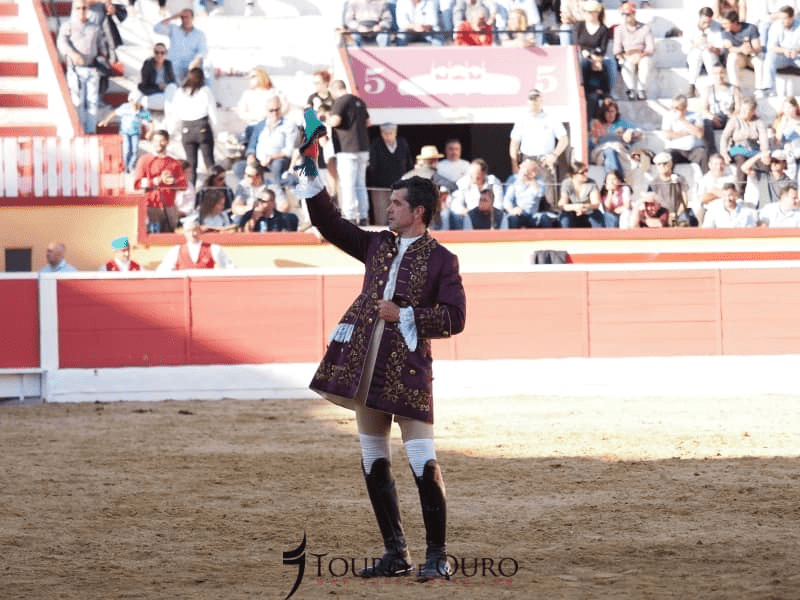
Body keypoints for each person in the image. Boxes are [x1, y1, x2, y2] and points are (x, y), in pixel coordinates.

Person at [295, 144, 466, 580]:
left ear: (420, 212)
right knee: (373, 457)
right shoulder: (376, 246)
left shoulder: (443, 260)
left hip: (407, 370)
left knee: (422, 458)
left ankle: (437, 556)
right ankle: (396, 553)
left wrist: (407, 314)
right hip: (364, 369)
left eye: (396, 203)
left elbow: (455, 317)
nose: (387, 209)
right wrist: (312, 170)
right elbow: (328, 222)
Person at [509, 88, 570, 209]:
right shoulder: (522, 119)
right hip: (527, 161)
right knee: (525, 195)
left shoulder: (551, 118)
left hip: (545, 160)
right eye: (531, 99)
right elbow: (514, 144)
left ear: (541, 100)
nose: (534, 102)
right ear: (528, 101)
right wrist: (515, 165)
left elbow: (564, 140)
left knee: (549, 196)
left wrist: (554, 155)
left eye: (536, 99)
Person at [56, 0, 107, 134]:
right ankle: (79, 130)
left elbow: (101, 46)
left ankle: (90, 130)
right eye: (78, 8)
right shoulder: (68, 26)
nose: (81, 11)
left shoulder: (94, 27)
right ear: (74, 9)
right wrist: (72, 54)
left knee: (92, 102)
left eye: (84, 8)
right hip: (75, 69)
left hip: (91, 68)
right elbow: (61, 43)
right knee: (77, 101)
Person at [328, 80, 371, 225]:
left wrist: (324, 118)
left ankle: (350, 216)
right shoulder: (359, 101)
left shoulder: (341, 101)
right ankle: (363, 216)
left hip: (347, 149)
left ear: (334, 90)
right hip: (363, 148)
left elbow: (335, 121)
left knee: (348, 184)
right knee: (360, 183)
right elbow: (369, 122)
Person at [133, 129, 187, 233]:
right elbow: (137, 184)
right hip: (151, 205)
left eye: (161, 141)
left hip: (169, 206)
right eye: (156, 141)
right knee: (153, 235)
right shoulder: (144, 160)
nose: (159, 144)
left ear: (167, 141)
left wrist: (172, 181)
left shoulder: (174, 162)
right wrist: (155, 181)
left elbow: (183, 184)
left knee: (170, 235)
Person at [173, 67, 218, 186]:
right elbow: (213, 113)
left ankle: (190, 193)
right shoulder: (205, 91)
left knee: (191, 166)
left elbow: (176, 113)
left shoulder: (180, 92)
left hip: (186, 128)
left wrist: (175, 131)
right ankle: (214, 190)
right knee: (210, 164)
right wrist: (216, 131)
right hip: (202, 127)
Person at [719, 96, 770, 194]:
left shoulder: (759, 122)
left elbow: (764, 140)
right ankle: (740, 193)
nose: (742, 112)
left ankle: (765, 196)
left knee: (764, 165)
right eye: (742, 109)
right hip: (738, 149)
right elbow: (725, 137)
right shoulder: (734, 120)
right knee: (740, 159)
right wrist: (724, 153)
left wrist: (764, 153)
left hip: (753, 151)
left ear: (753, 112)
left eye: (746, 110)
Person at [244, 95, 297, 185]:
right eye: (271, 110)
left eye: (277, 110)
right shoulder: (260, 125)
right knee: (239, 167)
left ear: (281, 109)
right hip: (259, 161)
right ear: (267, 111)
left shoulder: (288, 125)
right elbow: (252, 144)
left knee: (277, 165)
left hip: (278, 160)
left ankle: (280, 189)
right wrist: (251, 156)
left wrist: (272, 157)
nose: (274, 113)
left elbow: (289, 150)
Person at [368, 123, 413, 226]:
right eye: (385, 134)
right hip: (380, 189)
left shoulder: (403, 143)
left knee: (400, 216)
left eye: (390, 133)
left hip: (400, 188)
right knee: (382, 218)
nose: (388, 136)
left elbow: (409, 165)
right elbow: (373, 168)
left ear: (395, 133)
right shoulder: (376, 144)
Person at [98, 89, 152, 174]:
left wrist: (150, 131)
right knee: (126, 149)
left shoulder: (143, 111)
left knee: (134, 150)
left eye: (137, 104)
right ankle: (125, 165)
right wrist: (106, 120)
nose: (134, 106)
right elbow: (114, 113)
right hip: (125, 132)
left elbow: (150, 120)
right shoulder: (125, 107)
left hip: (136, 132)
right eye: (133, 103)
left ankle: (131, 166)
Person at [157, 214, 236, 270]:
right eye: (188, 231)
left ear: (199, 230)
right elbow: (163, 271)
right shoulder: (176, 250)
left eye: (194, 230)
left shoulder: (213, 248)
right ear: (184, 233)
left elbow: (229, 268)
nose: (192, 234)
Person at [613, 2, 655, 101]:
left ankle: (641, 90)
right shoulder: (619, 29)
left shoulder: (645, 28)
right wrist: (623, 57)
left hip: (642, 54)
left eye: (628, 14)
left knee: (646, 62)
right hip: (627, 55)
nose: (625, 17)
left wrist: (640, 55)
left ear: (634, 14)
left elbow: (651, 48)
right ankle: (630, 90)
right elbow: (617, 49)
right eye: (623, 14)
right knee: (625, 64)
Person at [153, 9, 208, 83]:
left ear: (192, 18)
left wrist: (196, 61)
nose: (185, 20)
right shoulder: (174, 29)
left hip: (190, 66)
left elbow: (203, 51)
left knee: (206, 67)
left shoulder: (199, 34)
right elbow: (157, 28)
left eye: (187, 17)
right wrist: (173, 17)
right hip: (174, 67)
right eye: (183, 17)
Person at [589, 98, 640, 177]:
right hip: (600, 153)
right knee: (610, 151)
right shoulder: (597, 124)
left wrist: (630, 132)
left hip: (620, 153)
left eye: (612, 111)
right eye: (607, 111)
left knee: (612, 152)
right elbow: (593, 141)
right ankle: (617, 178)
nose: (610, 114)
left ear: (616, 112)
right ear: (603, 112)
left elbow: (639, 133)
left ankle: (613, 177)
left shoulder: (622, 122)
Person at [574, 1, 616, 98]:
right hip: (582, 54)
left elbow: (603, 48)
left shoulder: (603, 29)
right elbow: (577, 43)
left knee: (611, 63)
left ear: (596, 13)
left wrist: (595, 55)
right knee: (583, 62)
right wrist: (588, 54)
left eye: (591, 12)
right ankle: (581, 89)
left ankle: (609, 91)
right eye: (587, 12)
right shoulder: (579, 26)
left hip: (597, 55)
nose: (588, 15)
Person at [447, 158, 504, 229]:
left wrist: (490, 210)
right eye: (471, 174)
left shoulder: (493, 181)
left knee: (501, 216)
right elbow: (456, 204)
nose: (473, 177)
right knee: (456, 217)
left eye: (476, 175)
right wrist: (465, 211)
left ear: (484, 173)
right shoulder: (462, 182)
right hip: (468, 214)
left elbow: (499, 204)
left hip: (488, 213)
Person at [502, 158, 558, 228]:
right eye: (521, 167)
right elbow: (507, 199)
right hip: (518, 213)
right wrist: (512, 210)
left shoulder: (539, 180)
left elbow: (540, 193)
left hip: (533, 214)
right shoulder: (513, 179)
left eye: (524, 168)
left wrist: (532, 180)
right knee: (512, 219)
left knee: (545, 219)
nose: (521, 169)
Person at [662, 94, 709, 173]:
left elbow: (699, 134)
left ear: (684, 107)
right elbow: (668, 135)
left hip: (693, 150)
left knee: (703, 154)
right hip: (675, 149)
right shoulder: (668, 116)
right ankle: (669, 182)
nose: (674, 110)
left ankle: (707, 181)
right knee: (667, 157)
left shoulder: (696, 115)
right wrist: (688, 132)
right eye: (673, 107)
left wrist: (683, 120)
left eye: (677, 108)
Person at [760, 5, 800, 97]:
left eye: (784, 18)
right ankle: (768, 89)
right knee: (770, 57)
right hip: (782, 56)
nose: (782, 21)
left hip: (797, 56)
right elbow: (772, 47)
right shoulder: (776, 26)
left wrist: (796, 51)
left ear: (792, 17)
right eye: (780, 18)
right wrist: (785, 50)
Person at [700, 63, 741, 153]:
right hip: (714, 117)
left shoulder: (733, 89)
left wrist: (732, 116)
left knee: (735, 122)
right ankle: (711, 150)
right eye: (716, 73)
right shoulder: (708, 89)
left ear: (725, 73)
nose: (719, 76)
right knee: (705, 123)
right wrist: (713, 118)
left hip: (728, 117)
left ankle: (733, 150)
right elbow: (704, 109)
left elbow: (738, 108)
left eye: (721, 73)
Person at [685, 6, 724, 98]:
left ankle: (715, 85)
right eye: (704, 22)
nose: (706, 25)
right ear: (699, 18)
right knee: (696, 54)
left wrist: (712, 47)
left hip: (711, 56)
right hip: (694, 56)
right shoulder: (691, 26)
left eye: (709, 22)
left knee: (707, 54)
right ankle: (692, 85)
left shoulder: (716, 26)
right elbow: (685, 48)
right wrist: (696, 44)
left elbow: (720, 47)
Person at [719, 9, 762, 92]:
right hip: (739, 57)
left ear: (734, 23)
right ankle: (735, 89)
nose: (724, 25)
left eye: (726, 23)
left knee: (758, 61)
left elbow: (757, 48)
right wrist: (741, 49)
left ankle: (759, 89)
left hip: (750, 57)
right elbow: (730, 48)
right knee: (732, 57)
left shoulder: (751, 28)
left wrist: (750, 49)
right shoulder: (724, 30)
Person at [647, 152, 695, 226]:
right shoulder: (653, 184)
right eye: (659, 164)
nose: (662, 166)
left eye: (664, 163)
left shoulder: (680, 179)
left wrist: (677, 213)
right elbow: (650, 205)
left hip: (679, 213)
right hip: (661, 215)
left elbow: (685, 200)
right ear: (656, 166)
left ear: (670, 163)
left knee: (685, 224)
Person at [557, 161, 604, 228]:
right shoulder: (567, 183)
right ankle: (565, 237)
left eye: (586, 171)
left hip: (588, 212)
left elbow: (596, 203)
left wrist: (584, 207)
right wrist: (575, 207)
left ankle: (599, 237)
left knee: (596, 217)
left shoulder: (591, 183)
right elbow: (562, 204)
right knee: (565, 218)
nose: (586, 174)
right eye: (582, 173)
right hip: (572, 212)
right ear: (574, 175)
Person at [137, 43, 178, 113]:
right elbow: (145, 84)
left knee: (173, 88)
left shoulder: (168, 64)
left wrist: (166, 86)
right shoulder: (148, 64)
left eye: (162, 53)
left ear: (165, 54)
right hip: (151, 90)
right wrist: (158, 86)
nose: (159, 55)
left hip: (165, 91)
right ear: (153, 53)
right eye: (157, 52)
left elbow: (173, 81)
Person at [696, 152, 735, 221]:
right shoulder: (703, 180)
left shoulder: (731, 178)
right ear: (709, 165)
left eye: (721, 164)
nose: (718, 167)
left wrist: (713, 191)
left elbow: (734, 197)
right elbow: (702, 199)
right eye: (715, 164)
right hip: (709, 210)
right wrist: (723, 194)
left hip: (726, 210)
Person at [773, 96, 800, 183]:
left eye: (789, 107)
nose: (787, 110)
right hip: (788, 154)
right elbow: (778, 139)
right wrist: (783, 123)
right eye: (785, 107)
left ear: (795, 107)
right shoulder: (781, 121)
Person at [231, 163, 267, 227]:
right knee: (238, 219)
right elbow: (236, 207)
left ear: (258, 176)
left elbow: (283, 206)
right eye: (244, 174)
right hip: (247, 214)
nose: (244, 176)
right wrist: (249, 209)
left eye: (248, 175)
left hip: (265, 214)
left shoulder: (270, 185)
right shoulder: (242, 185)